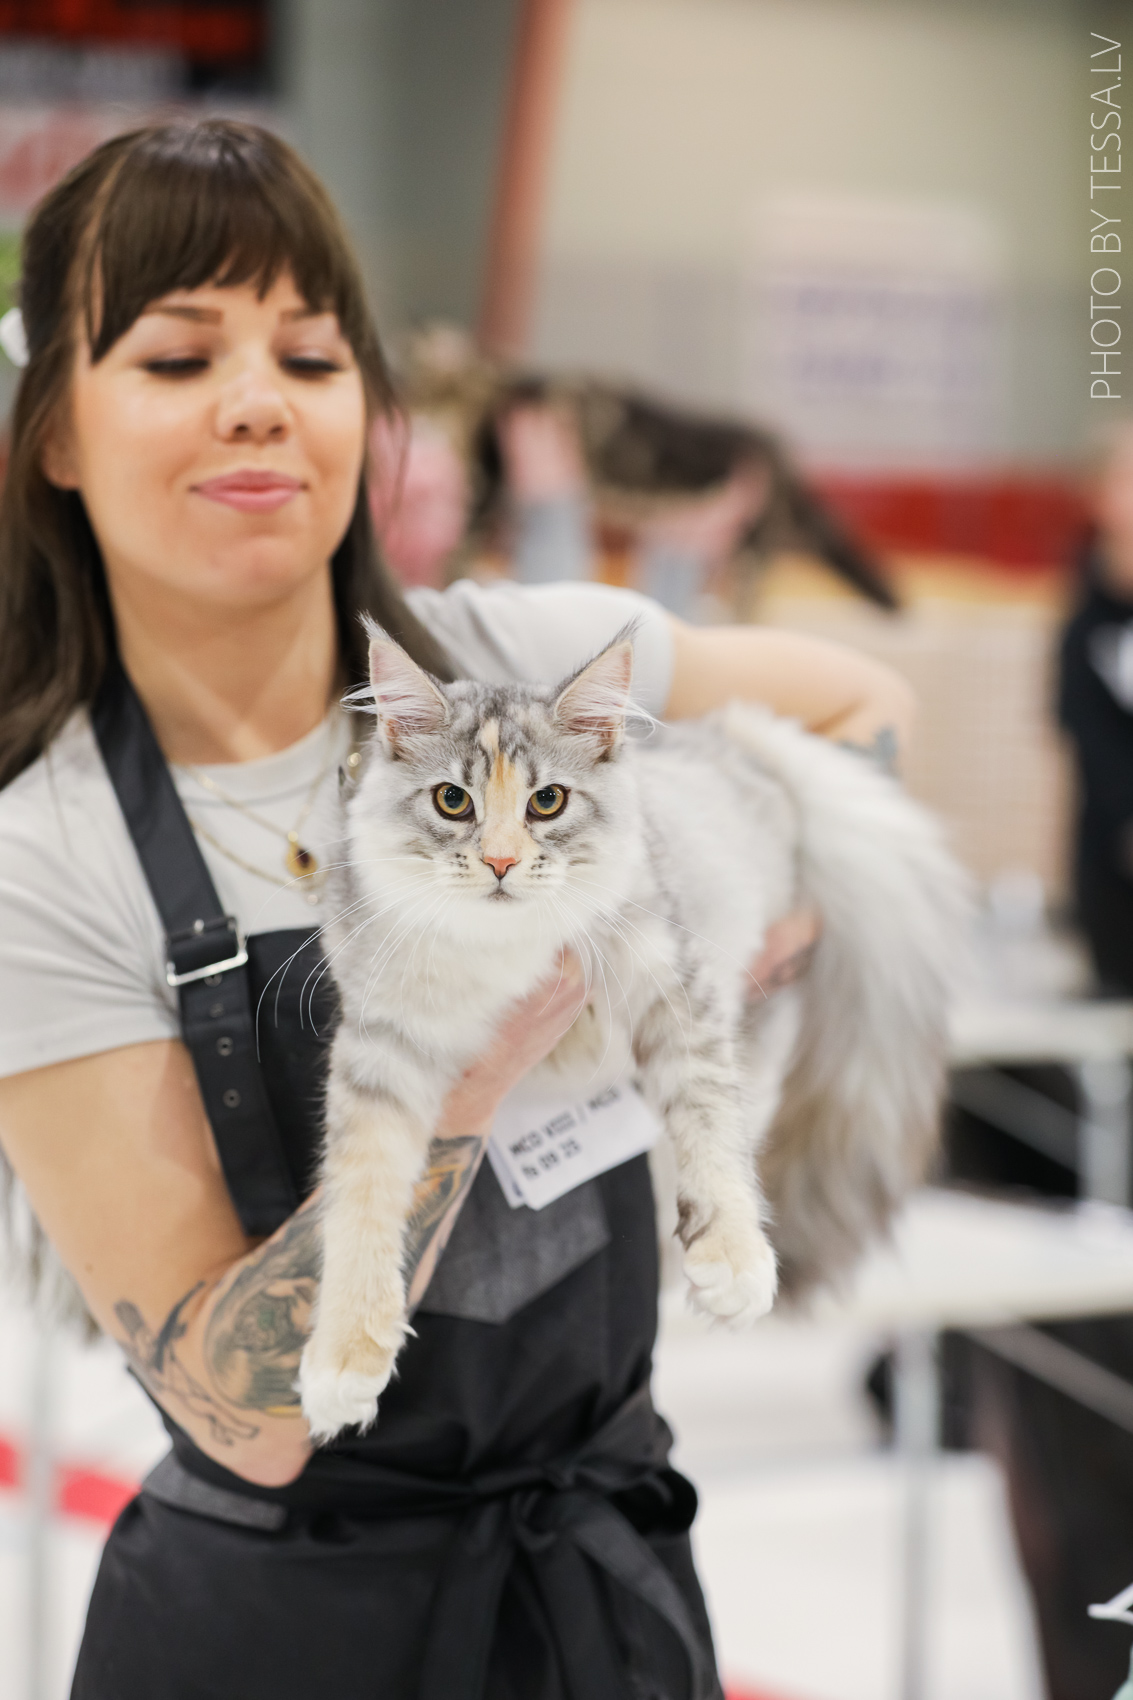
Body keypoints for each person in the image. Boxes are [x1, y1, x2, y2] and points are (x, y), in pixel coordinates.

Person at [0, 120, 913, 1699]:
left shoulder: (519, 660)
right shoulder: (45, 858)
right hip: (285, 1637)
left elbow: (858, 705)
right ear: (55, 437)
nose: (257, 403)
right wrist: (467, 1068)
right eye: (176, 357)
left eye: (309, 355)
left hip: (603, 1591)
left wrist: (746, 923)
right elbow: (247, 1414)